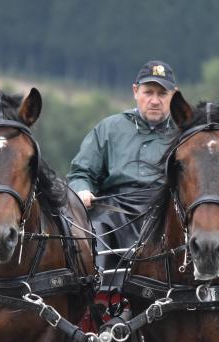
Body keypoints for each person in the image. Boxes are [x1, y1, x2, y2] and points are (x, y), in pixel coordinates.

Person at [67, 60, 179, 270]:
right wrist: (82, 190)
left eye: (162, 94)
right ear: (135, 91)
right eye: (148, 92)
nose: (155, 100)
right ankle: (96, 290)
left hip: (166, 207)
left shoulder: (185, 134)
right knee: (93, 229)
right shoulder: (110, 128)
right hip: (113, 207)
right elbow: (81, 173)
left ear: (174, 96)